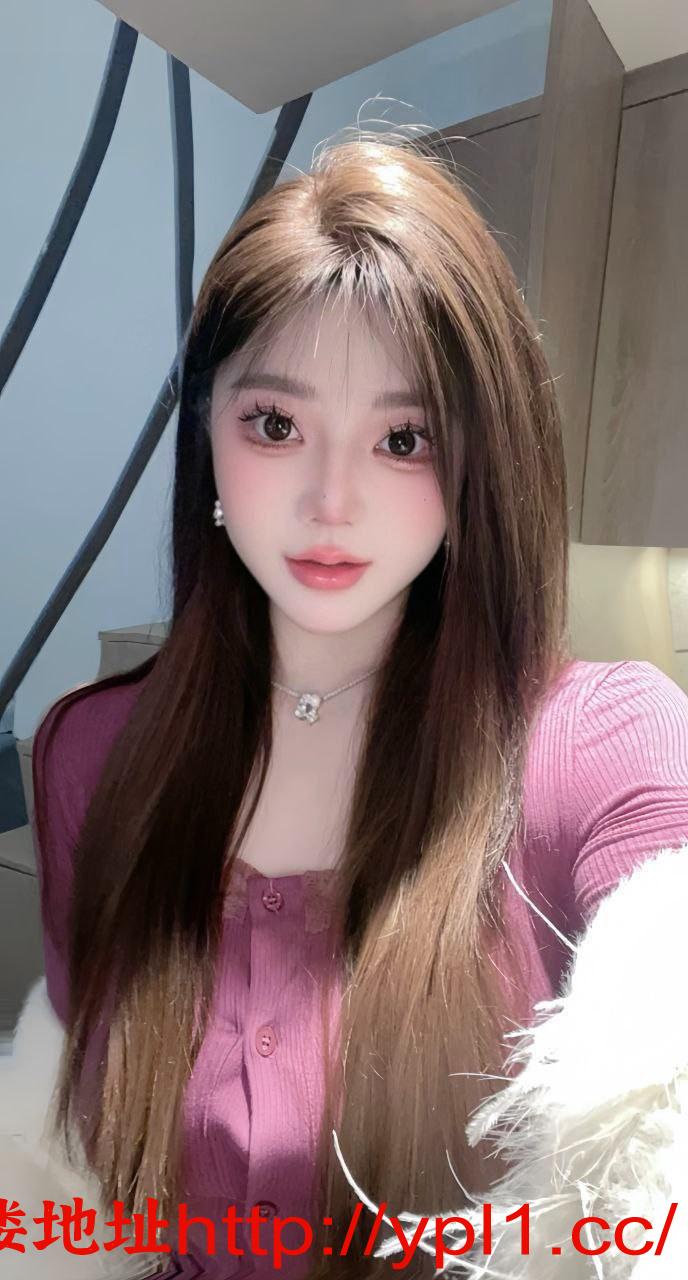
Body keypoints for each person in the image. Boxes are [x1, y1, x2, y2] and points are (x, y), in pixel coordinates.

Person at [30, 132, 688, 1279]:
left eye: (402, 437)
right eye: (275, 425)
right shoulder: (93, 748)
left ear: (474, 463)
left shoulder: (598, 742)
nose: (329, 500)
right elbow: (90, 1162)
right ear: (207, 439)